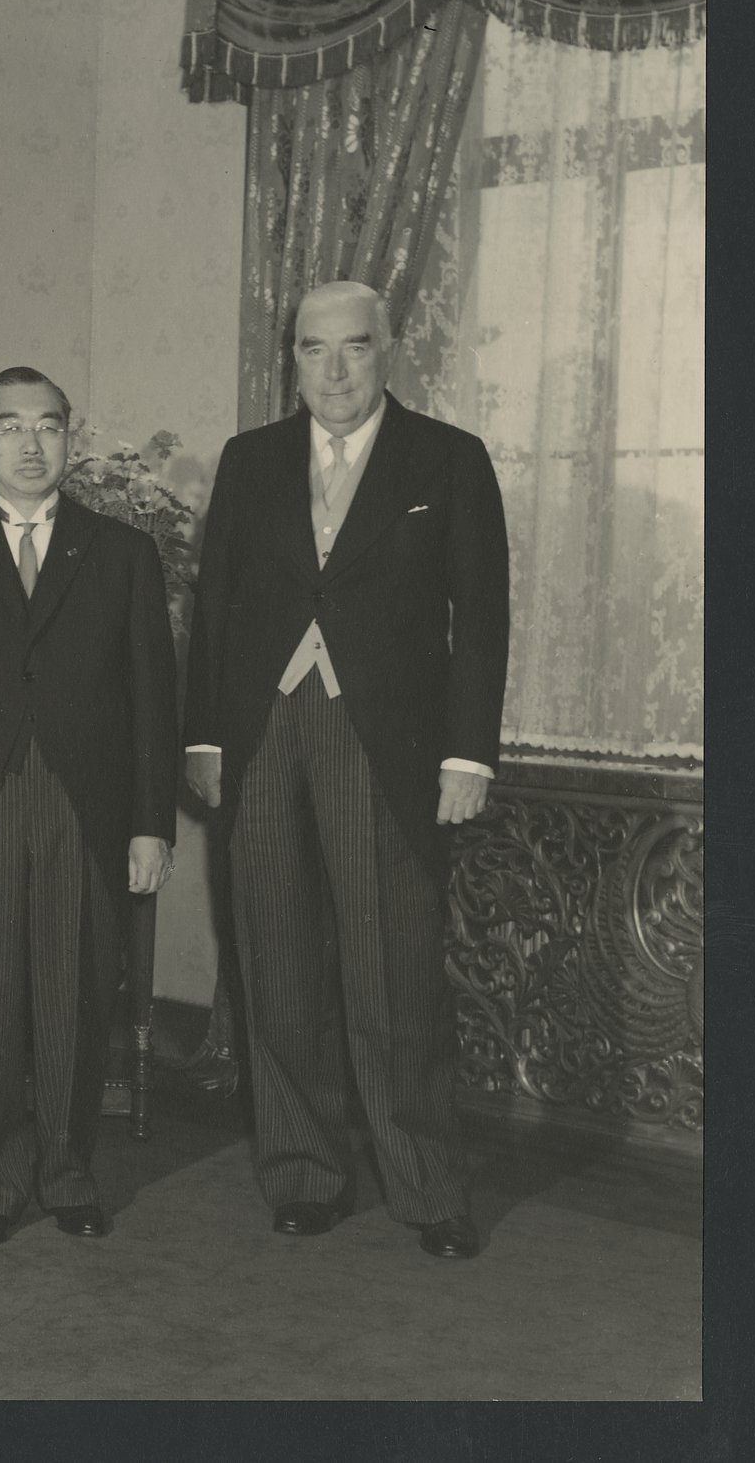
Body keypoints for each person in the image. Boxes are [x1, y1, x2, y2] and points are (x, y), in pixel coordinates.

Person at [183, 280, 509, 1260]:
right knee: (276, 961)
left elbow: (480, 617)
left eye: (354, 347)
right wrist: (205, 738)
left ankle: (427, 1187)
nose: (333, 370)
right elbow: (215, 607)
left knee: (392, 972)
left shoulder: (448, 458)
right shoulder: (250, 459)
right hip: (263, 733)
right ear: (292, 358)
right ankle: (303, 1173)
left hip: (385, 742)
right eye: (312, 349)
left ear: (387, 349)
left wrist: (467, 751)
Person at [0, 367, 177, 1247]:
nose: (29, 443)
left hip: (83, 802)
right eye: (10, 426)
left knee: (74, 991)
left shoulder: (122, 553)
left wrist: (150, 823)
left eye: (47, 426)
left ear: (70, 440)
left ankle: (67, 1171)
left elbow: (153, 700)